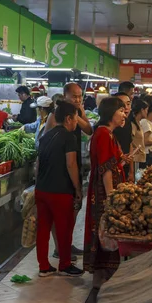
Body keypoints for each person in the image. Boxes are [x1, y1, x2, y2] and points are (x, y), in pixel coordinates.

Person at [35, 100, 84, 277]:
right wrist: (77, 188)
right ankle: (64, 264)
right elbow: (71, 164)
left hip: (41, 189)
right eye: (76, 117)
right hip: (60, 191)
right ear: (69, 118)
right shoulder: (69, 137)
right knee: (64, 228)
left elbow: (38, 164)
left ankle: (43, 266)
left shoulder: (46, 136)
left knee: (43, 229)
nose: (77, 121)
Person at [44, 83, 93, 258]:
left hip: (75, 161)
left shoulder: (78, 113)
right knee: (60, 211)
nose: (78, 99)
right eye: (74, 96)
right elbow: (45, 139)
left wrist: (78, 113)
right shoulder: (55, 114)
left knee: (74, 206)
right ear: (65, 96)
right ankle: (59, 248)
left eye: (80, 96)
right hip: (59, 166)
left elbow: (88, 129)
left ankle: (67, 243)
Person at [84, 97, 128, 288]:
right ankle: (101, 279)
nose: (124, 113)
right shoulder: (103, 134)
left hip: (107, 189)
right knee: (104, 230)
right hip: (103, 192)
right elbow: (105, 169)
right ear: (111, 113)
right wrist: (111, 196)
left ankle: (102, 279)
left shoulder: (107, 133)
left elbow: (111, 163)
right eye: (121, 110)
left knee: (105, 231)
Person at [112, 92, 133, 179]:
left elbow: (130, 144)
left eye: (128, 104)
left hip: (126, 167)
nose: (126, 107)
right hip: (112, 170)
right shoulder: (108, 127)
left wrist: (131, 171)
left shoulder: (128, 123)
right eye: (121, 104)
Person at [129, 99, 149, 176]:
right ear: (142, 110)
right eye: (146, 110)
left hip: (140, 158)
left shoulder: (138, 123)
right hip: (135, 159)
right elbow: (130, 140)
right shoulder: (133, 125)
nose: (147, 112)